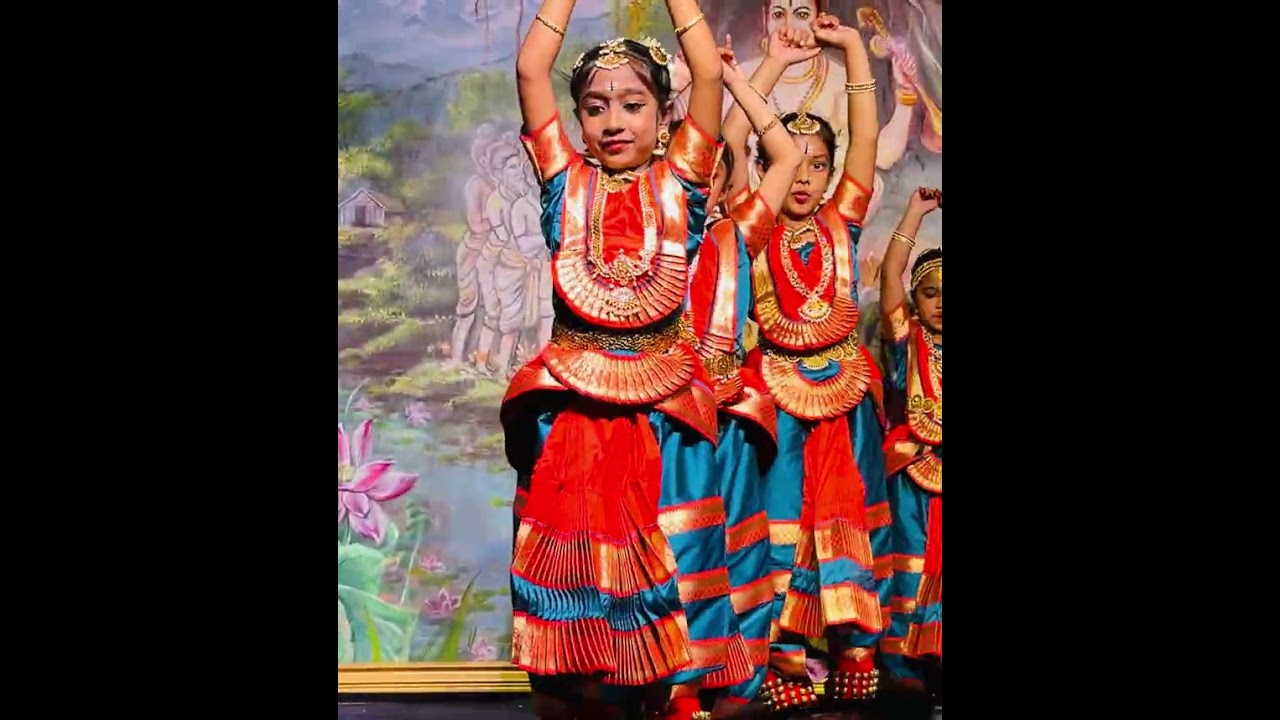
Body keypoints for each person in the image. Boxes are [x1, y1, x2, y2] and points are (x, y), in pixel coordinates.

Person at [502, 2, 750, 718]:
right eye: (596, 107)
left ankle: (677, 694)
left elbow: (707, 71)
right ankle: (582, 691)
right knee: (575, 583)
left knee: (680, 557)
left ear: (665, 117)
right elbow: (529, 69)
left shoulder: (685, 186)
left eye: (634, 105)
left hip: (666, 414)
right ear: (577, 120)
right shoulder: (563, 185)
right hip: (571, 413)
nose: (614, 121)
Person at [741, 12, 891, 713]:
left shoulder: (843, 221)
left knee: (845, 521)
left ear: (832, 174)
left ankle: (852, 646)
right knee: (780, 525)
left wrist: (855, 46)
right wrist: (768, 66)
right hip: (776, 392)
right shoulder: (754, 222)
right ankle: (783, 656)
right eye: (790, 164)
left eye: (818, 166)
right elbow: (737, 138)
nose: (803, 177)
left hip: (846, 396)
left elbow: (865, 135)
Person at [675, 28, 811, 720]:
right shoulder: (649, 234)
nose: (703, 182)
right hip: (668, 422)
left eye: (716, 173)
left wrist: (743, 79)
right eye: (689, 173)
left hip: (729, 417)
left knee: (741, 551)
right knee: (680, 552)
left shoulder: (736, 233)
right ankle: (676, 686)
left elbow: (779, 153)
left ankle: (736, 680)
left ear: (730, 184)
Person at [876, 188, 942, 694]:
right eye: (931, 291)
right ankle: (902, 666)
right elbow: (889, 276)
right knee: (909, 563)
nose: (941, 302)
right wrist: (915, 214)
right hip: (912, 469)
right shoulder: (907, 339)